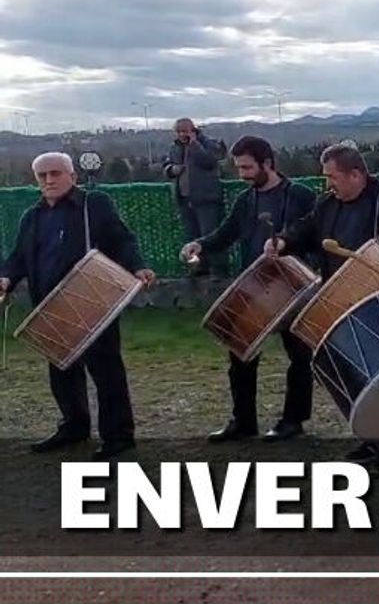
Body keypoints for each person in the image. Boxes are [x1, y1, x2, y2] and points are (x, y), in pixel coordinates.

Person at [268, 143, 379, 474]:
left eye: (333, 177)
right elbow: (306, 228)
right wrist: (282, 241)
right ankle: (370, 436)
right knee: (350, 372)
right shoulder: (328, 203)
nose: (328, 184)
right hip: (339, 299)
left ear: (356, 174)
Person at [0, 152, 157, 460]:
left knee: (106, 370)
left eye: (55, 173)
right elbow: (19, 257)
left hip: (92, 301)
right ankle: (73, 426)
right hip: (49, 307)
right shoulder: (32, 216)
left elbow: (121, 239)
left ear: (72, 176)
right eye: (42, 175)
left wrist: (138, 266)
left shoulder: (93, 205)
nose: (49, 180)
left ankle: (119, 435)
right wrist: (6, 278)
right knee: (61, 371)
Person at [181, 136, 318, 444]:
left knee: (299, 356)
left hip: (294, 286)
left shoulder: (300, 196)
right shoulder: (246, 199)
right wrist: (200, 245)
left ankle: (293, 421)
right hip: (255, 285)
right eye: (239, 167)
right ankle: (243, 422)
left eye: (247, 167)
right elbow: (227, 233)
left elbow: (314, 234)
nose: (242, 174)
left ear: (267, 163)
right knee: (240, 354)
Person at [163, 117, 227, 277]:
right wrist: (172, 169)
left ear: (193, 130)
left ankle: (219, 270)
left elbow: (210, 161)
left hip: (206, 198)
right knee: (192, 236)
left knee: (210, 235)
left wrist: (194, 145)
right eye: (178, 132)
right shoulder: (174, 147)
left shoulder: (207, 143)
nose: (181, 135)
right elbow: (166, 165)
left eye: (184, 131)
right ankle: (199, 267)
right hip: (184, 199)